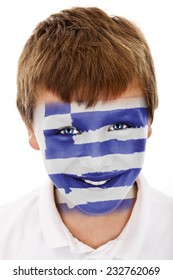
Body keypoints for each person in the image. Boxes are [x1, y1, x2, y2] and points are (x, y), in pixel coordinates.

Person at [0, 6, 173, 260]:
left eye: (119, 126)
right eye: (68, 130)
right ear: (31, 130)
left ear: (148, 122)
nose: (96, 161)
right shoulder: (6, 238)